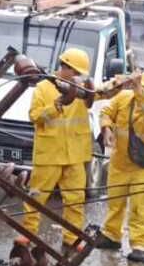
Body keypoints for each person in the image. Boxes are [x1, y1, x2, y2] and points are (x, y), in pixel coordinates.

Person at [22, 47, 94, 253]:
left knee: (75, 200)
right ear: (66, 68)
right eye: (76, 72)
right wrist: (56, 106)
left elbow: (103, 93)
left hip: (75, 155)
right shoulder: (44, 88)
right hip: (50, 154)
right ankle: (28, 233)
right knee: (36, 196)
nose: (79, 77)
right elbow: (35, 117)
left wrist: (122, 82)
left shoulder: (82, 90)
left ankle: (72, 238)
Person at [97, 69, 144, 263]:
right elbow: (106, 111)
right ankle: (111, 235)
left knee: (140, 205)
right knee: (115, 201)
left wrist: (139, 88)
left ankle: (139, 245)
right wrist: (106, 128)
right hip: (121, 161)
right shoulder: (124, 97)